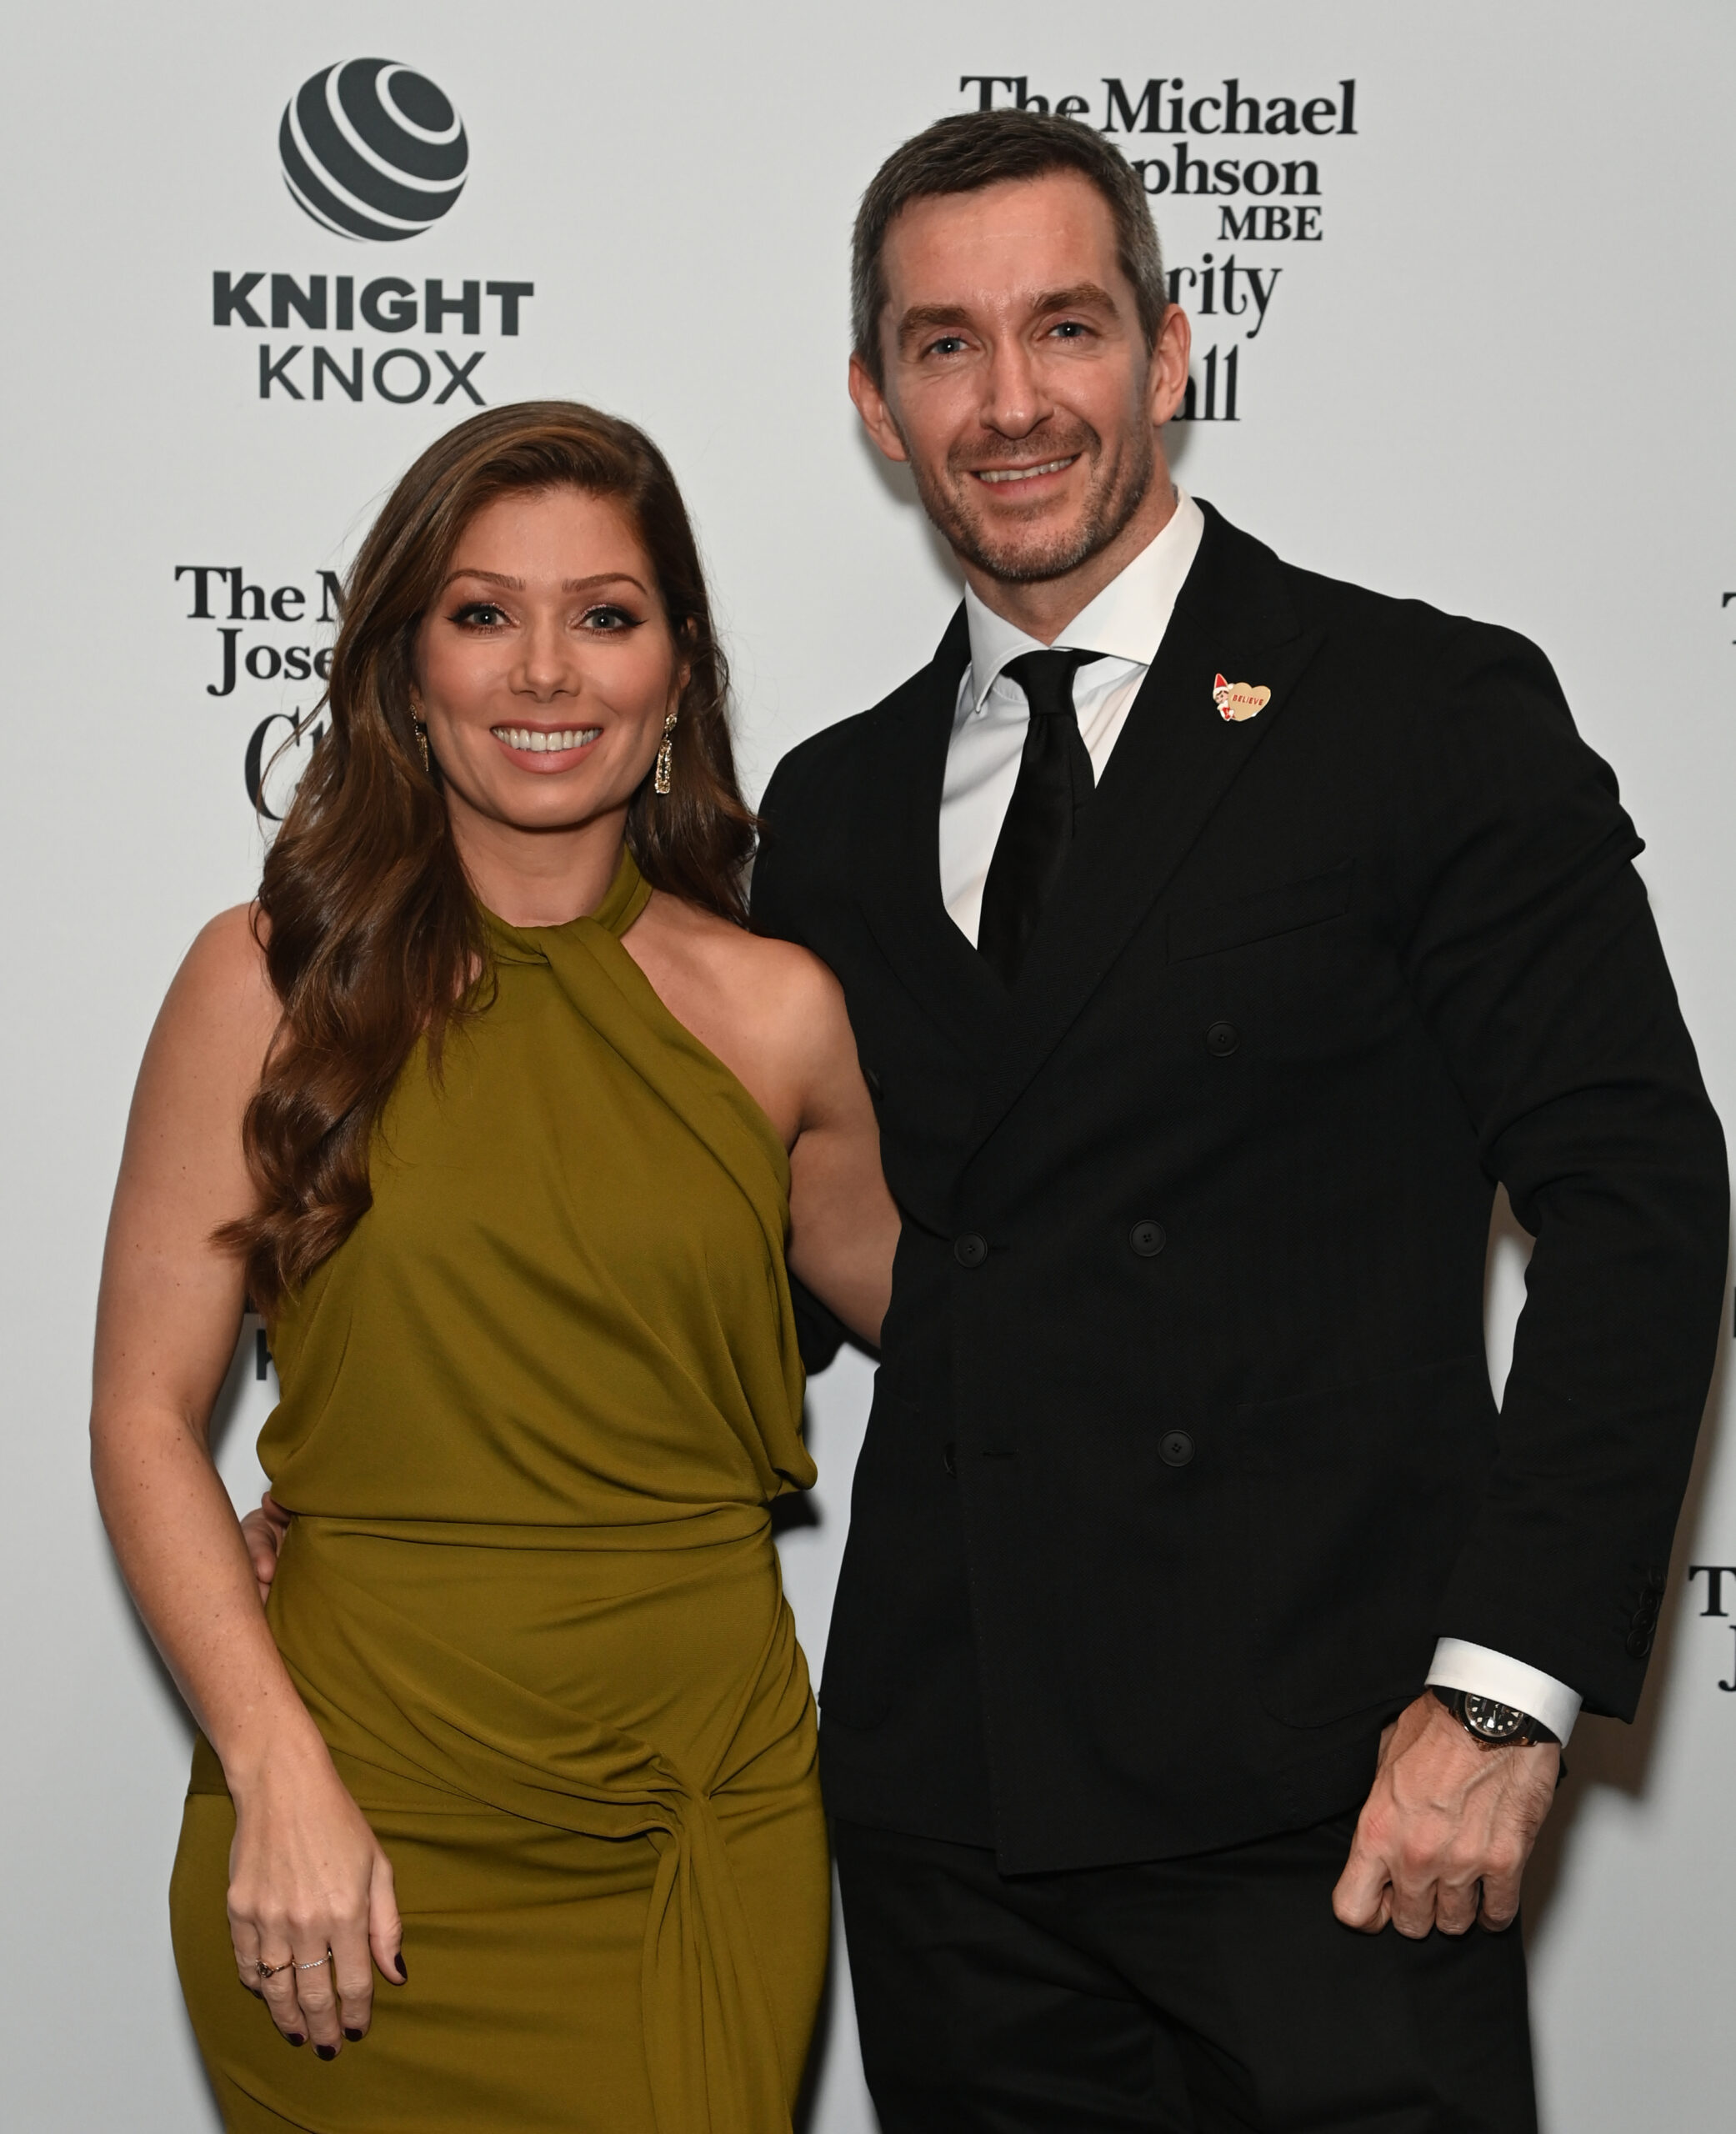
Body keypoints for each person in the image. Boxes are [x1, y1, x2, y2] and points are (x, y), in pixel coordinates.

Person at [748, 110, 1729, 2131]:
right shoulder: (828, 810)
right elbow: (776, 1272)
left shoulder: (1419, 709)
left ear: (1169, 352)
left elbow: (1637, 1197)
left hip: (1341, 1805)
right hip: (954, 1819)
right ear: (872, 400)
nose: (1011, 401)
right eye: (943, 345)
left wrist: (1499, 1696)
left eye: (1065, 327)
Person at [91, 401, 896, 2134]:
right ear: (407, 669)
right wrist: (274, 1770)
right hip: (352, 1815)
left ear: (678, 670)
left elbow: (980, 1325)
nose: (546, 671)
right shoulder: (266, 983)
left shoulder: (780, 1015)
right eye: (482, 613)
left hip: (699, 1810)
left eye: (605, 614)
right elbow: (143, 1418)